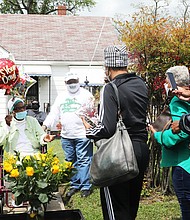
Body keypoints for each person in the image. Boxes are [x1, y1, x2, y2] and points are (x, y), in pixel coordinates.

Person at [83, 45, 149, 220]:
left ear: (108, 67)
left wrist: (89, 129)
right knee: (130, 205)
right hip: (141, 149)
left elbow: (107, 127)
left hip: (120, 152)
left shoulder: (110, 88)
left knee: (115, 209)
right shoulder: (141, 84)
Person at [42, 72, 95, 198]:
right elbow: (54, 114)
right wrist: (45, 126)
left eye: (74, 81)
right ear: (65, 83)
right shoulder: (61, 97)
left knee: (84, 160)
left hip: (83, 134)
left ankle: (85, 186)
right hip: (66, 135)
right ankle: (74, 184)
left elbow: (92, 114)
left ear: (78, 81)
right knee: (70, 161)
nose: (72, 84)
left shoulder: (86, 95)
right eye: (69, 82)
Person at [149, 66, 190, 220]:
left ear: (174, 83)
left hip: (184, 165)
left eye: (167, 81)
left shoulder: (177, 102)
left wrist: (159, 136)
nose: (165, 85)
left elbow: (180, 132)